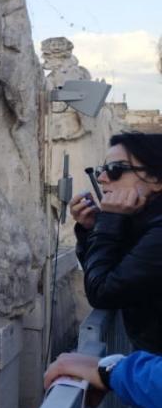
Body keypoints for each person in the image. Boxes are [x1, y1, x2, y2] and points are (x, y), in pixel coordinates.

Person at [68, 132, 162, 353]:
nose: (102, 178)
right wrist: (92, 229)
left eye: (115, 170)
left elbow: (102, 291)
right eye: (102, 170)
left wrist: (108, 224)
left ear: (156, 179)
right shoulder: (146, 221)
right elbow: (109, 272)